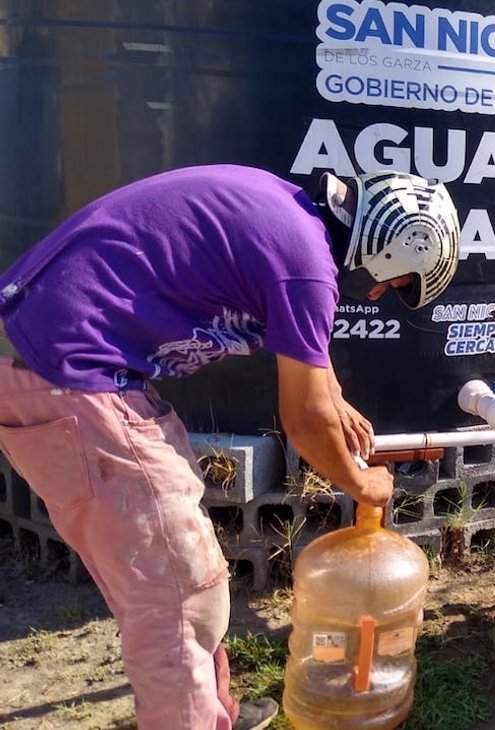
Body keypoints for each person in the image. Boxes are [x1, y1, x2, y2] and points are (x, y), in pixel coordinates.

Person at [0, 165, 459, 729]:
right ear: (396, 243)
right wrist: (363, 483)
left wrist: (333, 398)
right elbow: (305, 419)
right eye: (398, 280)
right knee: (177, 598)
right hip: (69, 377)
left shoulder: (289, 218)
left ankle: (209, 714)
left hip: (55, 362)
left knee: (183, 575)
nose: (383, 289)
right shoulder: (307, 266)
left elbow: (312, 377)